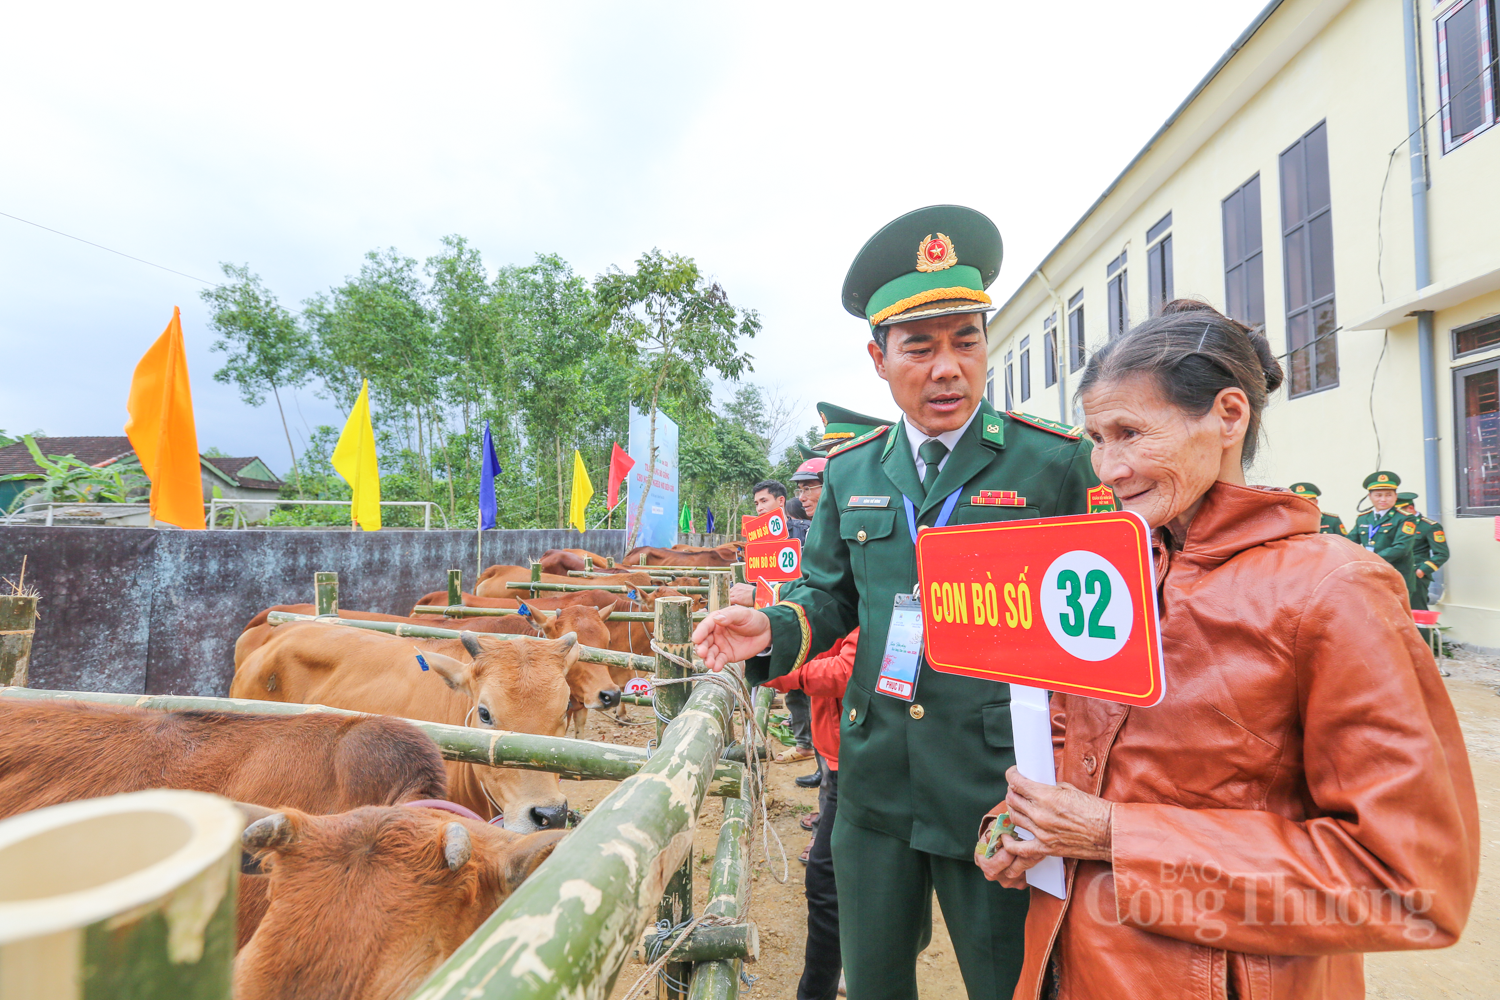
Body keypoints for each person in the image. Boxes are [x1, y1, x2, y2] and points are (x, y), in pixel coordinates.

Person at [975, 301, 1478, 999]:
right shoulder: (1108, 569)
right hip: (1071, 963)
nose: (1108, 466)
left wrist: (1117, 835)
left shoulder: (1334, 590)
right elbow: (1070, 750)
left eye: (1129, 432)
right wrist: (1018, 825)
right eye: (1095, 436)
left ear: (1229, 416)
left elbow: (1405, 880)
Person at [693, 205, 1108, 1000]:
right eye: (920, 347)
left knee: (1007, 979)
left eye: (967, 340)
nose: (947, 368)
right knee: (876, 977)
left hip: (996, 781)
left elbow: (1096, 629)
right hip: (875, 772)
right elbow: (833, 595)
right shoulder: (853, 473)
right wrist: (771, 627)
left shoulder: (1054, 464)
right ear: (879, 359)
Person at [764, 628, 858, 1000]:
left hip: (861, 761)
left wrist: (771, 667)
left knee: (830, 878)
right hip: (840, 752)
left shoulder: (869, 589)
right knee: (836, 874)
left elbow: (844, 671)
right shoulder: (833, 600)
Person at [1349, 472, 1418, 597]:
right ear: (1370, 496)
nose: (1383, 499)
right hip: (1370, 577)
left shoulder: (1405, 518)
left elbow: (1402, 547)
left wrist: (1371, 560)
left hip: (1395, 577)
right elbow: (1350, 542)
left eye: (1388, 495)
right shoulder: (1363, 518)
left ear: (1395, 496)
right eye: (1378, 495)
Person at [1397, 490, 1450, 611]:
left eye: (1399, 511)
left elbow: (1442, 553)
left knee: (1417, 613)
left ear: (1410, 508)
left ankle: (1422, 631)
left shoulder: (1428, 526)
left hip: (1415, 575)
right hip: (1396, 573)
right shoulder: (1395, 524)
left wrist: (1422, 570)